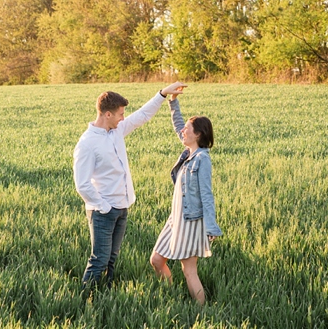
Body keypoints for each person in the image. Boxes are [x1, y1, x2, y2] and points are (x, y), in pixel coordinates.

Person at [74, 82, 186, 291]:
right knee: (99, 260)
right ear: (107, 114)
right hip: (103, 212)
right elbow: (82, 184)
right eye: (120, 114)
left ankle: (105, 294)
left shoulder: (116, 131)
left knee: (112, 259)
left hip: (122, 206)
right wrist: (103, 206)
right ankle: (86, 301)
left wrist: (162, 94)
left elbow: (142, 115)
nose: (123, 118)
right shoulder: (87, 143)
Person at [149, 87, 222, 305]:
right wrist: (173, 102)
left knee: (189, 270)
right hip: (175, 219)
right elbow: (178, 126)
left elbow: (207, 195)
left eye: (188, 130)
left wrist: (211, 227)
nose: (183, 132)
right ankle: (171, 297)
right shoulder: (189, 153)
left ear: (198, 134)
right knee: (156, 260)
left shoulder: (202, 159)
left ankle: (202, 312)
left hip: (190, 221)